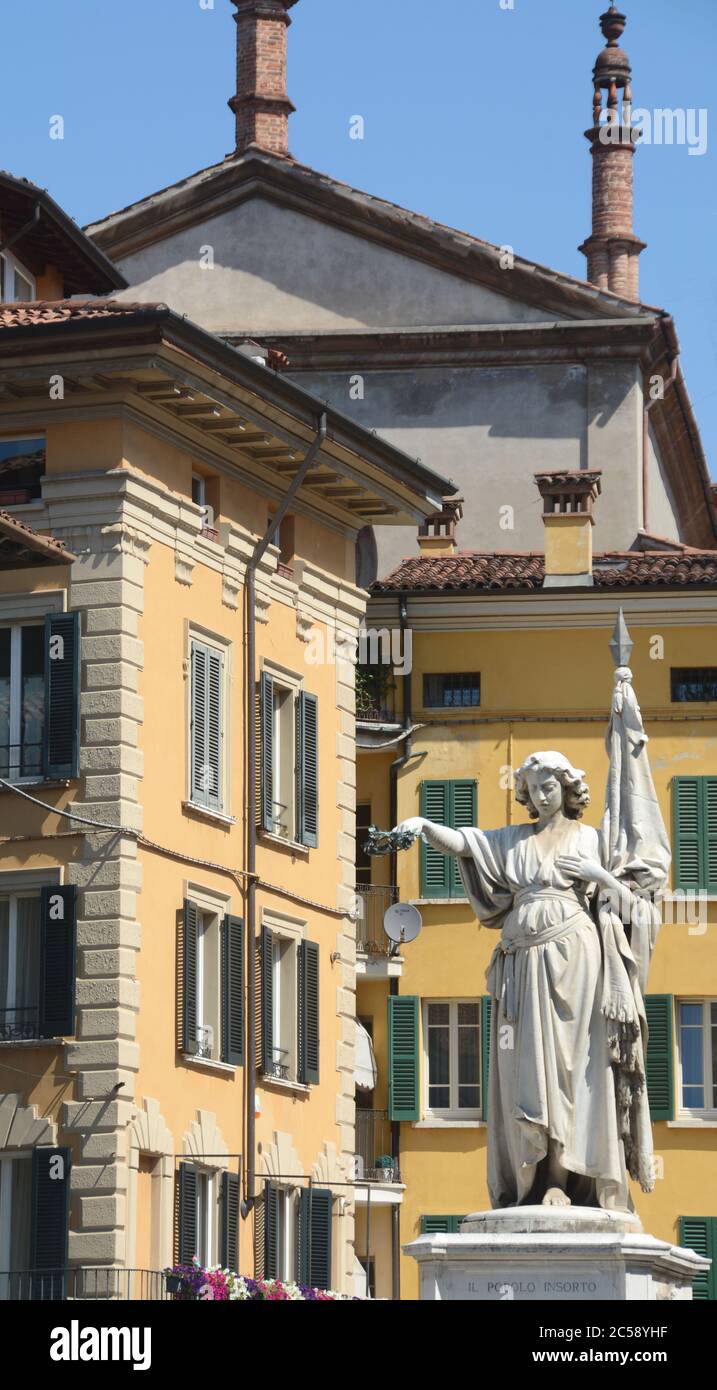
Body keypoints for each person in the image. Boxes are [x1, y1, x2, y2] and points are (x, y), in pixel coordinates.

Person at [395, 750, 656, 1212]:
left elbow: (636, 904)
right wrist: (420, 824)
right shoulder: (514, 841)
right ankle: (531, 1182)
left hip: (576, 963)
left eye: (549, 786)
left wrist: (599, 875)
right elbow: (463, 843)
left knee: (569, 1073)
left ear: (568, 788)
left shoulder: (592, 840)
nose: (541, 795)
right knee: (524, 1075)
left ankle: (563, 1180)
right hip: (520, 967)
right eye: (533, 789)